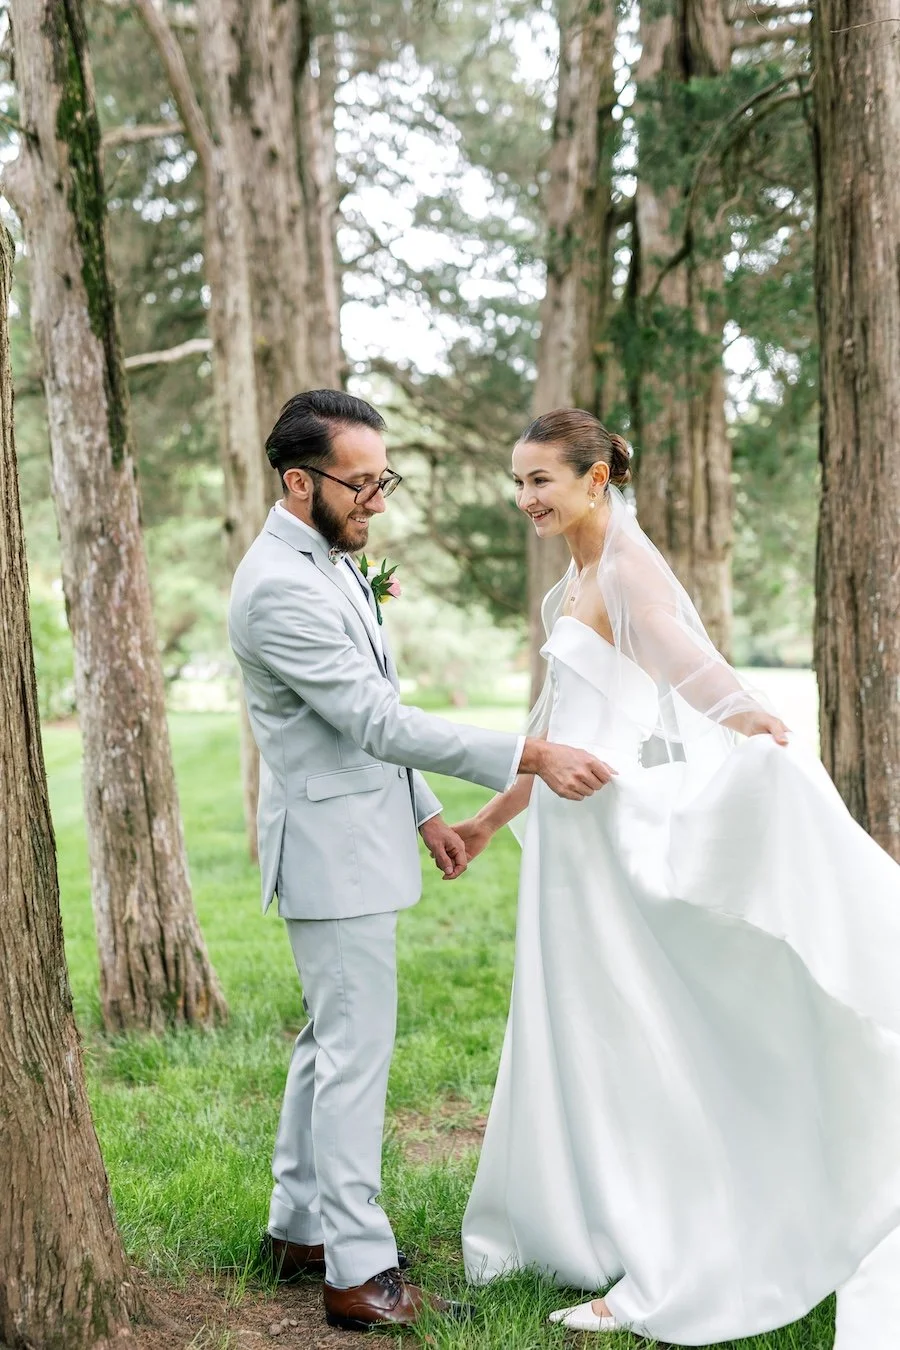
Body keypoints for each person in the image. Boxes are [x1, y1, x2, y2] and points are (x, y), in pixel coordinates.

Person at [458, 407, 900, 1347]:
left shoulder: (625, 567)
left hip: (610, 831)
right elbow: (557, 715)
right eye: (519, 480)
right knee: (577, 1026)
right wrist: (493, 820)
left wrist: (754, 721)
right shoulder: (571, 578)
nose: (526, 497)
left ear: (596, 480)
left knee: (632, 1030)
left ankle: (676, 1238)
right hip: (564, 845)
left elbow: (687, 662)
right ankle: (591, 1218)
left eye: (542, 479)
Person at [227, 390, 612, 1334]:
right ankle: (359, 1273)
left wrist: (430, 810)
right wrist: (528, 754)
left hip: (356, 832)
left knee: (330, 1041)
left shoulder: (325, 561)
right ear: (297, 480)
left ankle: (300, 1224)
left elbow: (365, 713)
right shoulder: (278, 585)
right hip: (330, 853)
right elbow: (376, 720)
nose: (378, 501)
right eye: (361, 484)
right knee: (356, 1053)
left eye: (381, 479)